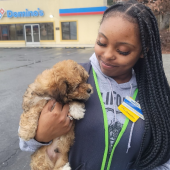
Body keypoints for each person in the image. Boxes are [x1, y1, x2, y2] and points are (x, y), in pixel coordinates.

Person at [19, 0, 170, 169]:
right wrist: (40, 136)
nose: (107, 55)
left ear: (144, 51)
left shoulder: (155, 94)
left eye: (122, 51)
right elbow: (25, 143)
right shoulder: (73, 78)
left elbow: (163, 158)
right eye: (101, 43)